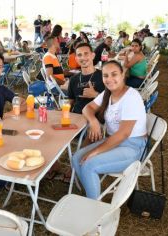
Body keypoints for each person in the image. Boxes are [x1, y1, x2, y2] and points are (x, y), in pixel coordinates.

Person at [72, 60, 147, 199]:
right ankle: (91, 192)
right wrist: (93, 121)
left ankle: (93, 209)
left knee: (89, 164)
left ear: (122, 74)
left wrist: (95, 151)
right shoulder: (108, 93)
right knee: (76, 158)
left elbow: (124, 134)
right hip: (114, 141)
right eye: (105, 75)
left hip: (133, 146)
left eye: (114, 74)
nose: (109, 79)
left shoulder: (131, 97)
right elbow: (87, 108)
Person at [68, 43, 105, 114]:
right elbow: (70, 102)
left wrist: (96, 95)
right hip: (77, 118)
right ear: (76, 59)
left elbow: (113, 102)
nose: (83, 58)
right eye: (79, 55)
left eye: (86, 54)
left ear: (93, 56)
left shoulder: (104, 76)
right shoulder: (73, 79)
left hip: (96, 120)